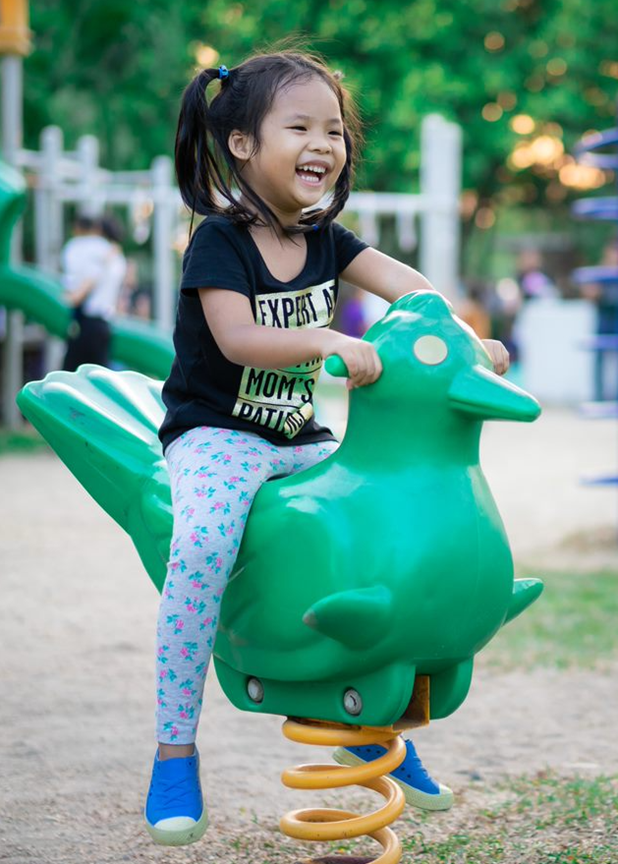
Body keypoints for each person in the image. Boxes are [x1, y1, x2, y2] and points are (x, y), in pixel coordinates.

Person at [146, 51, 510, 847]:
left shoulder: (330, 240)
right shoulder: (219, 242)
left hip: (300, 439)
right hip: (218, 435)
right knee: (203, 545)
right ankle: (175, 747)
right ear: (242, 144)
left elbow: (417, 293)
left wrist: (466, 341)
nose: (325, 144)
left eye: (336, 131)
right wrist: (327, 340)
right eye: (301, 127)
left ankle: (369, 728)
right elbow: (239, 340)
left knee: (372, 543)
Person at [62, 215, 127, 371]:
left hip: (88, 325)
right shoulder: (119, 260)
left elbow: (86, 286)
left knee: (68, 375)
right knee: (99, 376)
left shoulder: (99, 257)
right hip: (104, 325)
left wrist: (69, 298)